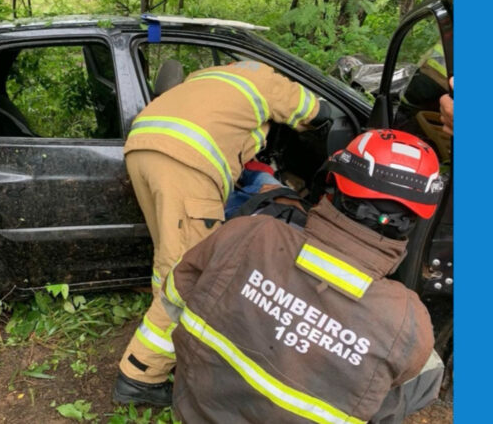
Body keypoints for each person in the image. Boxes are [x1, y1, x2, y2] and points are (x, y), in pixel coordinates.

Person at [161, 129, 445, 423]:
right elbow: (389, 400)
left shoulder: (250, 233)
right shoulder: (408, 320)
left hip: (196, 412)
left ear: (330, 186)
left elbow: (174, 295)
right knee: (427, 369)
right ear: (414, 220)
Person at [113, 61, 333, 405]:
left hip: (142, 150)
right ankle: (140, 375)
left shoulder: (206, 77)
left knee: (171, 261)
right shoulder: (264, 78)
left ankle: (170, 339)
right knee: (190, 274)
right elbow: (314, 111)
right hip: (186, 162)